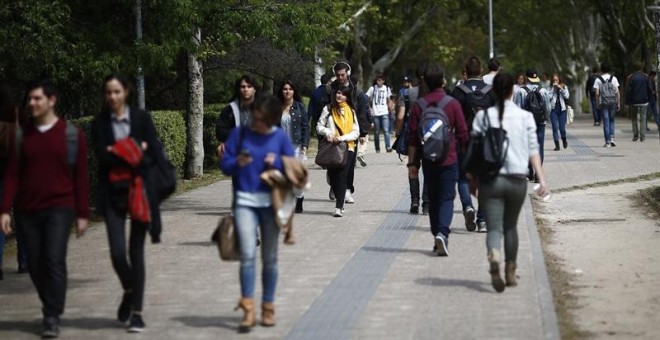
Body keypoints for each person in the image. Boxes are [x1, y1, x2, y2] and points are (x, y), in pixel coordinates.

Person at [1, 79, 89, 338]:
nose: (31, 103)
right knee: (36, 265)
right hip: (27, 210)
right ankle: (51, 304)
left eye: (37, 98)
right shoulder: (21, 137)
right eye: (29, 99)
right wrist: (4, 210)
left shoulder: (72, 136)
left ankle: (52, 313)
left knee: (53, 259)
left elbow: (81, 178)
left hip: (60, 209)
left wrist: (82, 214)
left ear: (52, 100)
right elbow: (11, 176)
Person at [91, 74, 161, 333]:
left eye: (117, 92)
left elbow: (152, 152)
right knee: (117, 253)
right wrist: (134, 148)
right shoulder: (99, 124)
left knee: (136, 252)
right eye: (108, 92)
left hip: (139, 192)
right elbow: (102, 157)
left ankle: (137, 313)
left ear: (126, 92)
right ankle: (130, 290)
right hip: (112, 194)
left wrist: (117, 149)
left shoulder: (141, 119)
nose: (112, 97)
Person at [221, 95, 295, 333]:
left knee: (270, 258)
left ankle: (268, 306)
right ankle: (248, 308)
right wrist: (237, 163)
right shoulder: (240, 134)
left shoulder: (280, 138)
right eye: (255, 116)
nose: (256, 122)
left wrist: (279, 165)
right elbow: (225, 165)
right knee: (247, 253)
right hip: (244, 201)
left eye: (262, 119)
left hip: (271, 204)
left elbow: (293, 168)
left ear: (272, 119)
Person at [472, 72, 549, 293]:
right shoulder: (525, 117)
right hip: (516, 179)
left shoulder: (482, 118)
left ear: (493, 91)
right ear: (512, 91)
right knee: (511, 227)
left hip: (491, 180)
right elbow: (534, 149)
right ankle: (510, 271)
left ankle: (494, 254)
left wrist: (472, 178)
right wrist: (541, 179)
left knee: (494, 228)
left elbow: (475, 151)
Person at [407, 63, 469, 256]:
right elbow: (463, 133)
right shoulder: (452, 103)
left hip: (428, 160)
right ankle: (442, 233)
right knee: (447, 198)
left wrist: (412, 164)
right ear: (442, 81)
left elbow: (413, 138)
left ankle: (437, 236)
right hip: (449, 158)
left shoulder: (419, 105)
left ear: (424, 81)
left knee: (433, 199)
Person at [451, 56, 495, 233]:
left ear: (466, 72)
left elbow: (452, 118)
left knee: (462, 177)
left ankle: (468, 207)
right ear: (482, 71)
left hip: (464, 141)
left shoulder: (458, 91)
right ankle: (483, 221)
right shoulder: (491, 91)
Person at [320, 62, 369, 202]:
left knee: (349, 163)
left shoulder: (356, 91)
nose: (340, 77)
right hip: (333, 131)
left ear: (348, 73)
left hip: (350, 132)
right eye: (338, 75)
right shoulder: (330, 90)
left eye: (343, 74)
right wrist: (324, 132)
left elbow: (361, 112)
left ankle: (347, 189)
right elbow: (323, 109)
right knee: (333, 163)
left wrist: (363, 133)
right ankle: (335, 186)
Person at [317, 87, 360, 217]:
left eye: (342, 94)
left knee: (342, 175)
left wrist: (341, 138)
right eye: (338, 93)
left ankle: (339, 206)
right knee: (333, 176)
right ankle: (338, 196)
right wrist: (329, 133)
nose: (339, 95)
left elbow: (356, 131)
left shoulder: (351, 111)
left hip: (348, 147)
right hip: (331, 148)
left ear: (347, 97)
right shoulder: (328, 109)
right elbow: (319, 126)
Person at [396, 63, 430, 215]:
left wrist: (398, 131)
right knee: (429, 171)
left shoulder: (408, 94)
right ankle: (427, 204)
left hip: (412, 137)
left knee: (413, 169)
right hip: (430, 137)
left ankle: (414, 201)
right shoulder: (434, 93)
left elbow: (400, 117)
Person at [276, 80, 309, 213]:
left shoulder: (299, 107)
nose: (287, 91)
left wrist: (305, 145)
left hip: (296, 146)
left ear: (294, 91)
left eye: (290, 89)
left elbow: (305, 127)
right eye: (285, 89)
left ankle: (299, 197)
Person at [514, 69, 550, 182]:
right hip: (540, 123)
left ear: (526, 77)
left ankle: (529, 171)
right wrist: (545, 118)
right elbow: (548, 108)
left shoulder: (521, 91)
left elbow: (517, 108)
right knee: (540, 147)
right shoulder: (543, 90)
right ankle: (538, 174)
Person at [216, 75, 259, 158]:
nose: (246, 89)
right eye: (243, 87)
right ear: (239, 89)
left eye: (249, 86)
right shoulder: (230, 109)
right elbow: (221, 130)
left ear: (255, 89)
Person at [593, 62, 621, 147]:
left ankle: (607, 142)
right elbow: (617, 92)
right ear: (609, 69)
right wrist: (618, 103)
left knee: (606, 122)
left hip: (604, 103)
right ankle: (612, 138)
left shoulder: (598, 79)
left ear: (601, 69)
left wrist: (597, 103)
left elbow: (597, 93)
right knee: (612, 120)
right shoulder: (614, 78)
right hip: (612, 102)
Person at [625, 62, 653, 142]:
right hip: (644, 101)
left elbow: (628, 91)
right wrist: (649, 99)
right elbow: (649, 89)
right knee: (643, 118)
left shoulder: (631, 77)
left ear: (634, 68)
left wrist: (628, 101)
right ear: (641, 68)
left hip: (634, 101)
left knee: (634, 118)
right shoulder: (645, 77)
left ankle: (635, 135)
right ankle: (643, 136)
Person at [366, 74, 393, 153]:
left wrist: (390, 110)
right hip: (376, 113)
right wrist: (370, 108)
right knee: (376, 132)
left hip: (384, 112)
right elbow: (366, 98)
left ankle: (388, 147)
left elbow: (389, 100)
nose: (379, 82)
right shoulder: (372, 88)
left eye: (380, 80)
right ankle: (377, 148)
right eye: (378, 80)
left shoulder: (387, 89)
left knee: (386, 130)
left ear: (383, 81)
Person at [548, 73, 570, 150]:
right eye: (554, 80)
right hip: (553, 109)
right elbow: (548, 97)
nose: (555, 82)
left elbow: (567, 96)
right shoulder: (550, 88)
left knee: (562, 128)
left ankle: (564, 140)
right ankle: (557, 145)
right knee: (554, 127)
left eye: (556, 80)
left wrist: (561, 89)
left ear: (559, 80)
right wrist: (553, 90)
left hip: (562, 109)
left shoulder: (564, 86)